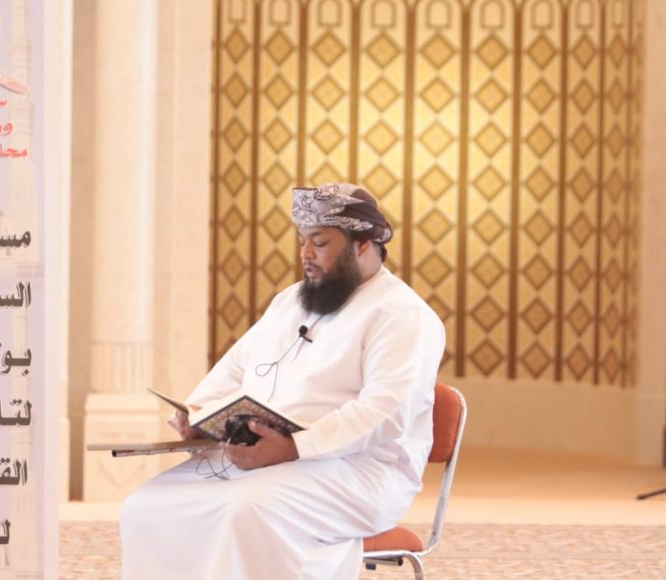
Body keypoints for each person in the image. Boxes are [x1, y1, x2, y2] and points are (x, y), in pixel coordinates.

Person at [118, 183, 446, 579]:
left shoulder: (403, 315)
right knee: (146, 507)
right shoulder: (291, 301)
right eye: (301, 241)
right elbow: (235, 368)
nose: (305, 254)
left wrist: (293, 448)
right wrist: (200, 413)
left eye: (319, 243)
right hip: (266, 457)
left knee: (247, 510)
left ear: (362, 244)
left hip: (359, 471)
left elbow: (385, 413)